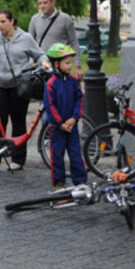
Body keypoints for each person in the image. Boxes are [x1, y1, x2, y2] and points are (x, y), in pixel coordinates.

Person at [0, 9, 51, 172]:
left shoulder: (25, 38)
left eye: (3, 21)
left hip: (20, 86)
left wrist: (44, 63)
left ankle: (18, 159)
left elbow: (39, 55)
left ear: (12, 21)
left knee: (18, 122)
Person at [43, 43, 88, 190]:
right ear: (56, 64)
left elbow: (79, 99)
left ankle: (80, 181)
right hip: (57, 128)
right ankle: (59, 183)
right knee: (57, 156)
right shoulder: (50, 84)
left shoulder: (74, 81)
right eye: (67, 63)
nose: (70, 66)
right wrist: (60, 123)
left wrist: (74, 118)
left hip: (72, 126)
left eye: (71, 63)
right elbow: (50, 105)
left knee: (76, 154)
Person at [28, 0, 82, 80]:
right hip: (42, 66)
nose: (42, 6)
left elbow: (74, 42)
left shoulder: (65, 19)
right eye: (40, 3)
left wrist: (78, 66)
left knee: (60, 92)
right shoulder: (34, 19)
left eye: (45, 3)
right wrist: (31, 61)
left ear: (53, 2)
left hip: (60, 66)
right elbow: (29, 44)